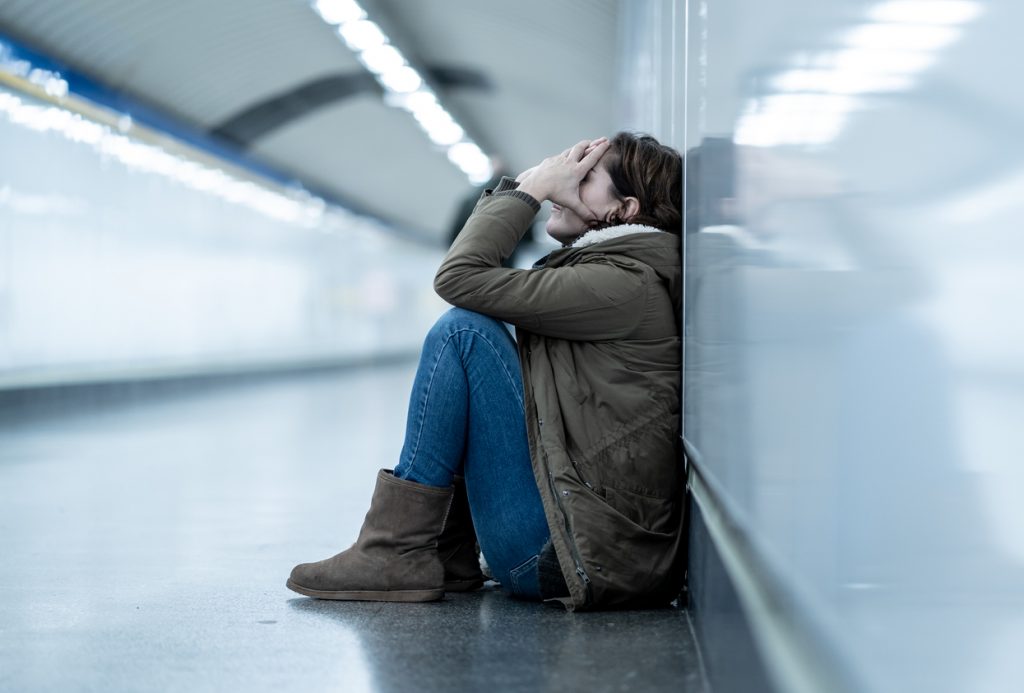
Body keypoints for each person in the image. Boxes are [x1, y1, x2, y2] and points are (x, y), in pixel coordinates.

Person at [287, 132, 685, 610]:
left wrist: (531, 188)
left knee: (464, 333)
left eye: (584, 175)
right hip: (585, 538)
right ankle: (439, 552)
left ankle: (395, 550)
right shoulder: (619, 273)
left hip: (570, 554)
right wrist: (529, 189)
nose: (565, 177)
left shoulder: (622, 284)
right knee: (475, 340)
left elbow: (458, 278)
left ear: (622, 209)